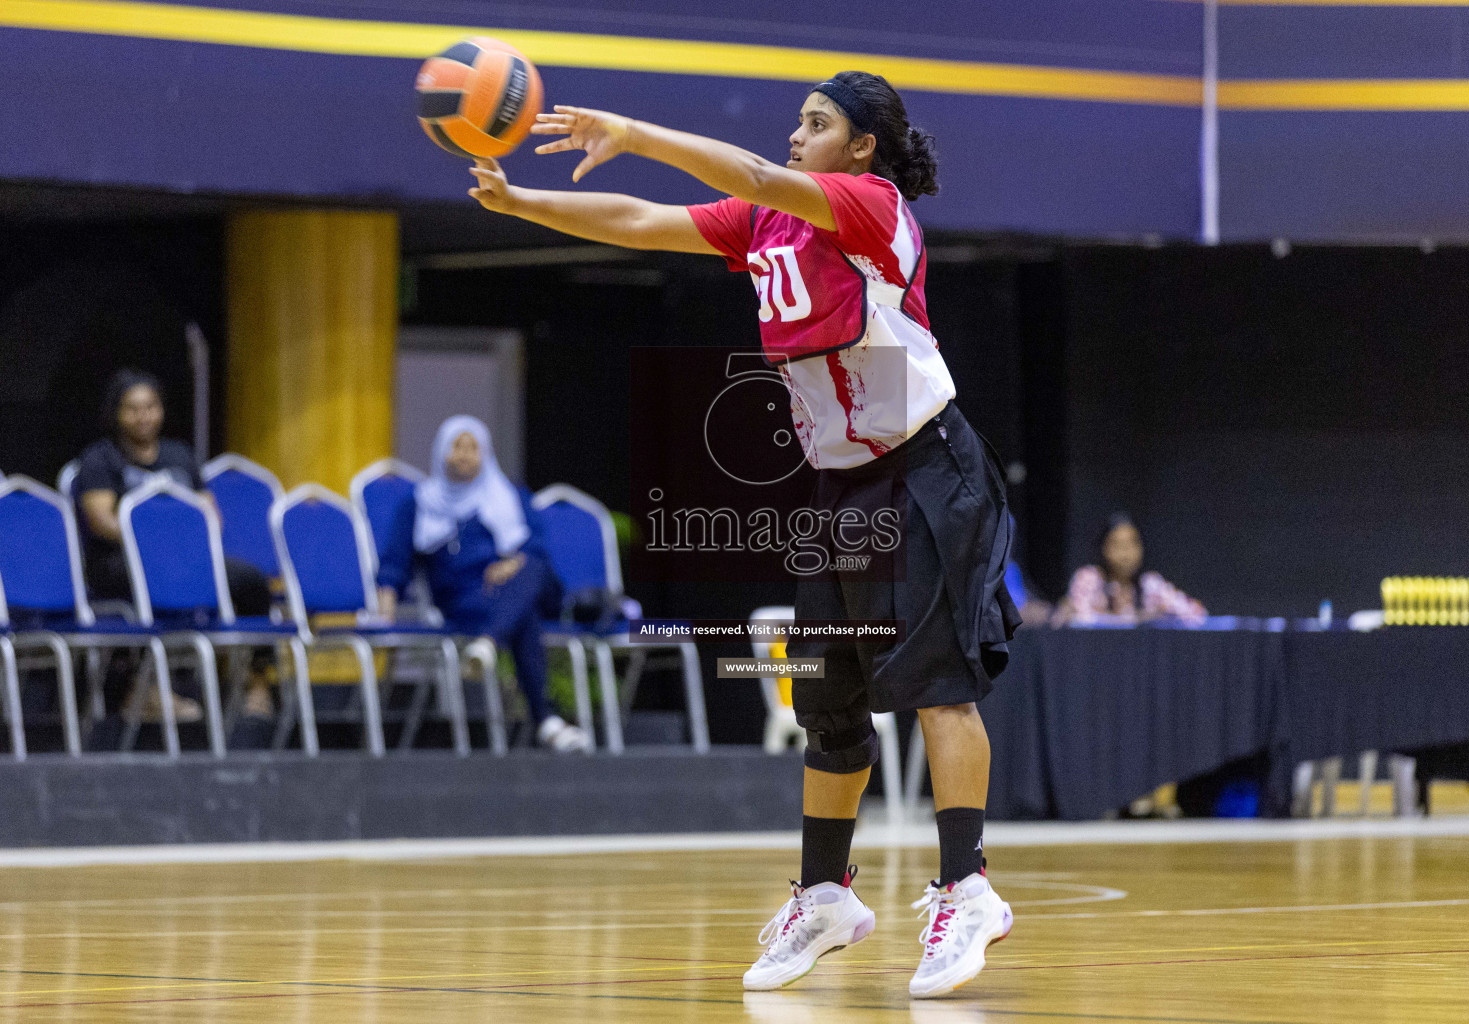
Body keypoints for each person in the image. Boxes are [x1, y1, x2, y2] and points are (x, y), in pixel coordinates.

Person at [468, 70, 1021, 997]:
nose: (798, 135)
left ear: (862, 147)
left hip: (927, 470)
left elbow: (758, 175)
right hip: (840, 486)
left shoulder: (871, 209)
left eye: (818, 123)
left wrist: (634, 127)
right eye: (796, 122)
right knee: (826, 699)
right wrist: (523, 202)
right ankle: (824, 896)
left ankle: (967, 888)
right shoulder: (766, 227)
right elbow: (642, 222)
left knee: (939, 688)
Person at [374, 416, 588, 753]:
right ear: (441, 452)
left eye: (473, 448)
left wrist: (511, 564)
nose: (465, 455)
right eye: (457, 446)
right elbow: (395, 562)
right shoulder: (418, 504)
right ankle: (546, 720)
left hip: (528, 584)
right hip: (466, 599)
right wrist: (385, 605)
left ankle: (489, 640)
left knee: (531, 568)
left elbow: (537, 549)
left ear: (485, 454)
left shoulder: (509, 495)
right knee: (523, 615)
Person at [74, 369, 275, 724]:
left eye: (150, 406)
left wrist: (180, 545)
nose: (143, 416)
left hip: (184, 562)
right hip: (121, 562)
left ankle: (256, 682)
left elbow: (209, 515)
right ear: (116, 413)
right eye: (132, 408)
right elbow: (101, 520)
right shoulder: (100, 460)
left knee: (249, 579)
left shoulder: (180, 456)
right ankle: (141, 690)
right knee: (147, 584)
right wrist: (156, 540)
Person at [1061, 513, 1206, 625]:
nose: (1126, 554)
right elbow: (1077, 619)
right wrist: (1134, 618)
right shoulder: (1090, 578)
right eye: (1117, 545)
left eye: (1132, 544)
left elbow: (1197, 614)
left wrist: (1163, 615)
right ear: (1104, 548)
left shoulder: (1149, 584)